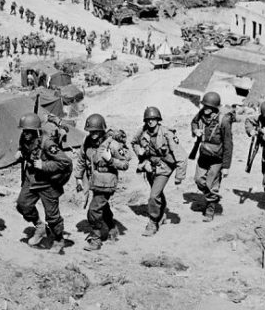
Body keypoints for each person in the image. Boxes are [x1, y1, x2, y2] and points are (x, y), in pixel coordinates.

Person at [15, 113, 72, 253]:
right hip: (32, 179)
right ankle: (40, 227)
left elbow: (65, 162)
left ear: (36, 130)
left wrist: (44, 165)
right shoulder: (24, 138)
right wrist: (20, 154)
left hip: (47, 183)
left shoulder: (47, 143)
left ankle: (59, 239)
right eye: (24, 130)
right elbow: (25, 150)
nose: (26, 134)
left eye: (29, 131)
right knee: (23, 205)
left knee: (52, 216)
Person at [74, 114, 129, 251]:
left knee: (94, 210)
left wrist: (111, 160)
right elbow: (81, 159)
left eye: (96, 131)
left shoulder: (112, 144)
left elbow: (125, 164)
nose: (93, 134)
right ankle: (111, 228)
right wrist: (78, 178)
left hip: (107, 181)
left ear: (102, 130)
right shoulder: (87, 141)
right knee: (102, 207)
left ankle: (96, 239)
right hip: (94, 179)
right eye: (91, 131)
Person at [131, 107, 187, 236]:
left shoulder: (167, 133)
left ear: (158, 120)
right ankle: (161, 214)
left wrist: (179, 175)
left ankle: (153, 222)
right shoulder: (142, 131)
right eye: (148, 119)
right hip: (150, 166)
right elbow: (133, 142)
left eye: (153, 119)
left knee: (153, 196)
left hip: (164, 167)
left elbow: (181, 155)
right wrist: (139, 151)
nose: (150, 122)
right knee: (157, 192)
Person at [191, 91, 233, 222]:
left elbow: (228, 144)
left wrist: (226, 166)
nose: (206, 109)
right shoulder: (201, 115)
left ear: (215, 107)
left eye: (209, 107)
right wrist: (195, 130)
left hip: (217, 159)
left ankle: (210, 207)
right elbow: (193, 122)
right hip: (203, 155)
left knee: (211, 184)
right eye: (204, 106)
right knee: (198, 180)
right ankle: (212, 196)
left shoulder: (224, 120)